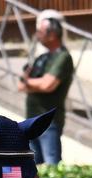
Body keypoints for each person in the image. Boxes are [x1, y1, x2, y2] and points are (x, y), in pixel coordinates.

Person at [19, 12, 74, 165]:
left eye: (40, 32)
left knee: (52, 165)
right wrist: (34, 82)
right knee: (32, 166)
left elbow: (48, 85)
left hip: (49, 122)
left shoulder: (63, 57)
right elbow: (21, 85)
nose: (37, 36)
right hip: (31, 121)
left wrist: (30, 82)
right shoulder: (41, 58)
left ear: (53, 34)